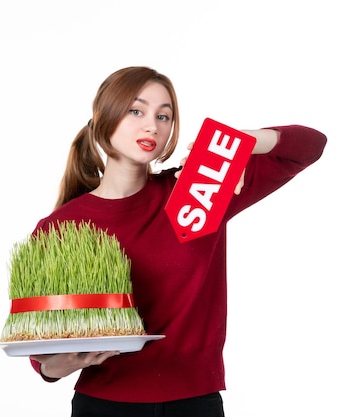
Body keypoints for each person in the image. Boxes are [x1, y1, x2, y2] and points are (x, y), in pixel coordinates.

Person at [26, 66, 327, 417]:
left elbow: (310, 146)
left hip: (195, 403)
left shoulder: (201, 189)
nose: (152, 125)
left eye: (164, 115)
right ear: (104, 117)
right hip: (103, 405)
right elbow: (41, 352)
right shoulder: (62, 226)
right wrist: (57, 366)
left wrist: (232, 142)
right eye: (136, 110)